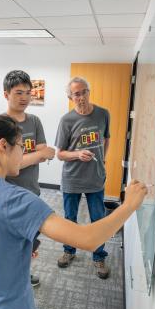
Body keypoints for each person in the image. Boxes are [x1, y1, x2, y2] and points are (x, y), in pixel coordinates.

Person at [0, 114, 147, 309]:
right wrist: (129, 205)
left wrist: (8, 250)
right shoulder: (15, 199)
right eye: (22, 146)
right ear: (3, 145)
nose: (23, 153)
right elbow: (88, 239)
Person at [54, 77, 111, 279]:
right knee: (70, 219)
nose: (81, 97)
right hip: (72, 179)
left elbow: (106, 139)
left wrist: (102, 160)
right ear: (70, 97)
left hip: (95, 178)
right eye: (76, 94)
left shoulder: (103, 114)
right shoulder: (66, 120)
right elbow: (59, 153)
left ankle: (99, 256)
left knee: (98, 219)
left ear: (89, 92)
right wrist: (77, 154)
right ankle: (69, 251)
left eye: (84, 91)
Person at [3, 70, 55, 286]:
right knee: (8, 241)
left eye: (27, 93)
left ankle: (22, 275)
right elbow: (7, 167)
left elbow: (46, 154)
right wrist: (38, 155)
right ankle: (8, 279)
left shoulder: (34, 121)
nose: (24, 97)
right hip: (7, 193)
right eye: (18, 93)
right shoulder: (0, 124)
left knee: (29, 241)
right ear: (6, 94)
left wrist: (30, 157)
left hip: (31, 191)